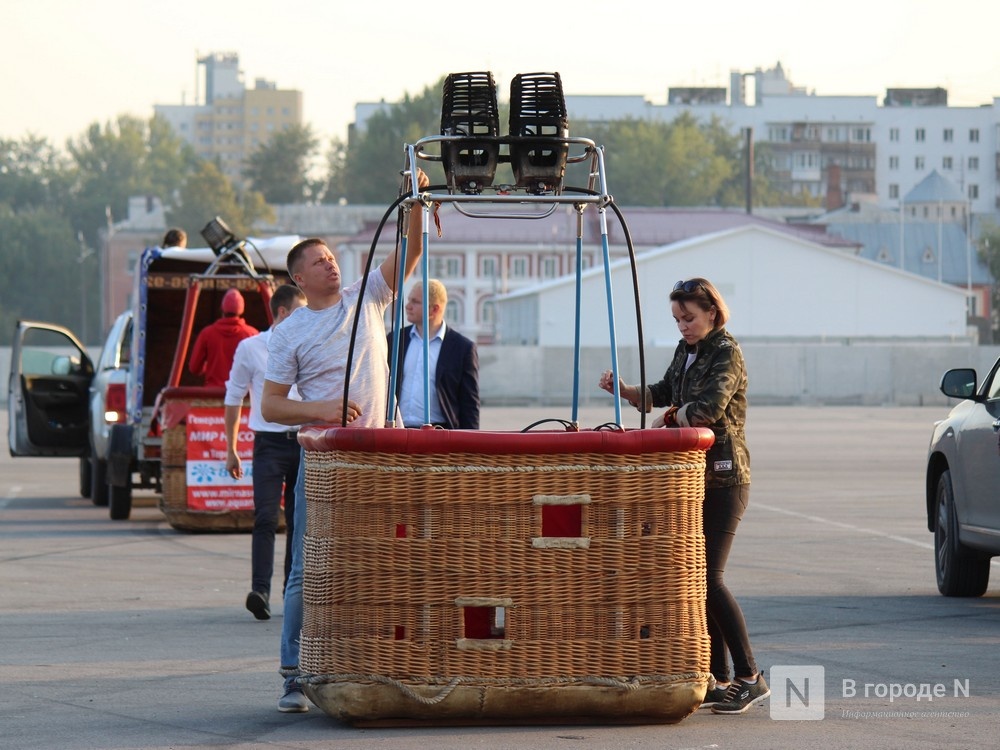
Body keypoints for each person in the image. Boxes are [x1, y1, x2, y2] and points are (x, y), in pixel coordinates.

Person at [260, 168, 430, 714]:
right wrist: (322, 410)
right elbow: (271, 405)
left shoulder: (369, 297)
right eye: (317, 261)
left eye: (331, 256)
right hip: (329, 461)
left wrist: (416, 202)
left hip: (384, 453)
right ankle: (293, 673)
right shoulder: (288, 333)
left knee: (390, 562)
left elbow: (408, 254)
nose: (329, 263)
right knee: (309, 568)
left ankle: (386, 664)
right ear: (299, 279)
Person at [598, 276, 769, 716]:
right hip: (692, 480)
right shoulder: (687, 352)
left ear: (711, 311)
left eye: (689, 317)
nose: (683, 326)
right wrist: (627, 391)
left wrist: (672, 414)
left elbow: (707, 408)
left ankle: (752, 676)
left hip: (727, 480)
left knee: (710, 577)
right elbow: (663, 394)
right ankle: (721, 676)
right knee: (695, 579)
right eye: (677, 319)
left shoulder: (726, 352)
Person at [223, 284, 307, 622]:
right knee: (266, 517)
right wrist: (231, 449)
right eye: (301, 311)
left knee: (299, 521)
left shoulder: (310, 345)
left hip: (304, 441)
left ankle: (293, 591)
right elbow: (233, 398)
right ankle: (260, 590)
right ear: (284, 313)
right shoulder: (251, 347)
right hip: (269, 443)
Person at [389, 279, 480, 429]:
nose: (407, 306)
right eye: (409, 300)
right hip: (398, 431)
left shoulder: (462, 348)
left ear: (434, 309)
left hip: (441, 434)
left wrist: (470, 445)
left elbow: (469, 404)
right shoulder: (395, 340)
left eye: (415, 302)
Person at [189, 289, 259, 388]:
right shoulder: (252, 334)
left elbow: (194, 368)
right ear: (242, 309)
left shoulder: (207, 333)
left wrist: (208, 367)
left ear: (222, 308)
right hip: (241, 396)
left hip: (212, 397)